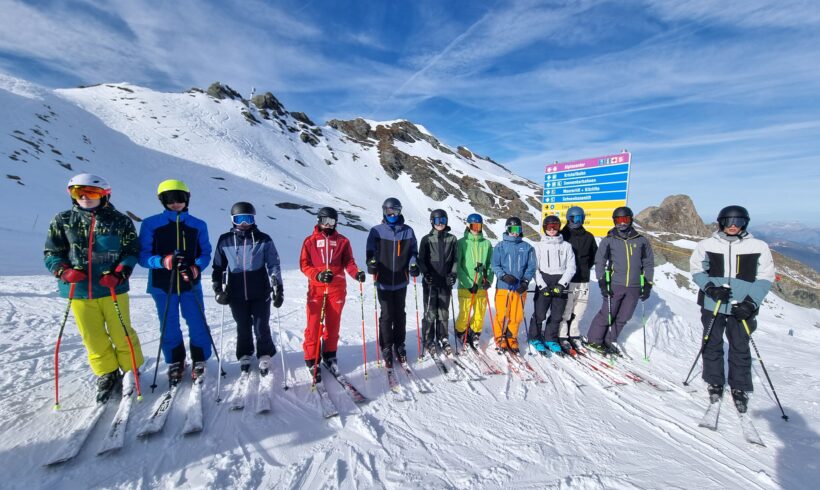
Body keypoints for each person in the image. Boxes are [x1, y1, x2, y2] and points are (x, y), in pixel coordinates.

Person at [44, 174, 144, 402]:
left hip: (112, 288)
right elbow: (52, 252)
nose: (85, 197)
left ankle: (131, 368)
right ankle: (106, 372)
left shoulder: (120, 221)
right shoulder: (63, 220)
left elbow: (131, 251)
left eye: (92, 192)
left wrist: (120, 273)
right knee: (92, 336)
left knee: (121, 332)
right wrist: (63, 271)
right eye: (78, 192)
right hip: (79, 291)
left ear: (105, 195)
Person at [689, 205, 775, 413]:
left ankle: (740, 386)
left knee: (740, 345)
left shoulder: (758, 246)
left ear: (745, 223)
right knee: (711, 342)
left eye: (739, 222)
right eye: (729, 221)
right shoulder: (706, 245)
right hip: (713, 303)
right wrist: (711, 289)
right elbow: (697, 270)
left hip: (742, 306)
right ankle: (714, 381)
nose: (733, 226)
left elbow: (765, 277)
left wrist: (750, 303)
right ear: (721, 223)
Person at [138, 179, 212, 385]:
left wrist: (197, 266)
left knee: (197, 322)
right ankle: (176, 361)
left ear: (187, 198)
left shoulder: (198, 225)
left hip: (190, 284)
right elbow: (143, 256)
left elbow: (205, 253)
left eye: (180, 198)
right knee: (168, 325)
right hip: (162, 285)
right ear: (162, 200)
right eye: (170, 199)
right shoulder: (151, 224)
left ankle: (200, 359)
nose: (175, 203)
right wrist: (162, 261)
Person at [211, 202, 282, 376]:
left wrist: (278, 289)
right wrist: (218, 290)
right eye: (239, 219)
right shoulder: (225, 240)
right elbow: (218, 267)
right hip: (236, 292)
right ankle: (245, 353)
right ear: (232, 220)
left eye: (248, 219)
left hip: (260, 291)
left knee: (261, 325)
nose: (244, 223)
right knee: (242, 325)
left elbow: (273, 264)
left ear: (253, 219)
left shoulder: (263, 239)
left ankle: (264, 353)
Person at [300, 207, 364, 382]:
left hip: (337, 289)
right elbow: (304, 265)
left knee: (333, 324)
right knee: (314, 325)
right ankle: (312, 359)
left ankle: (329, 355)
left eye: (332, 222)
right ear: (319, 221)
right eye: (325, 221)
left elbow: (349, 263)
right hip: (317, 289)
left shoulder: (343, 241)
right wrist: (318, 275)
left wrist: (356, 273)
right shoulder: (310, 241)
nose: (328, 225)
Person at [585, 206, 654, 356]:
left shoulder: (641, 241)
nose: (622, 223)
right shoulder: (609, 240)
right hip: (615, 284)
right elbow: (600, 261)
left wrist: (648, 284)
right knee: (607, 313)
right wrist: (602, 281)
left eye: (625, 219)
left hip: (634, 287)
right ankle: (594, 340)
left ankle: (609, 340)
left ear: (631, 220)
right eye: (618, 220)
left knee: (624, 316)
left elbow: (648, 263)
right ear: (614, 221)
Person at [366, 198, 418, 369]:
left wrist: (413, 264)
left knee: (400, 314)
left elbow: (413, 252)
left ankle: (399, 344)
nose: (393, 214)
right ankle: (387, 346)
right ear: (384, 211)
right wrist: (371, 263)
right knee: (387, 315)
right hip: (384, 281)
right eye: (390, 211)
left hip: (401, 281)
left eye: (396, 211)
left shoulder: (408, 231)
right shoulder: (376, 231)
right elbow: (370, 252)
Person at [527, 215, 575, 355]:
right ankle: (534, 337)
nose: (552, 229)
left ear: (559, 227)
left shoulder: (566, 246)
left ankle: (550, 338)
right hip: (544, 280)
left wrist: (562, 284)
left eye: (555, 226)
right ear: (544, 228)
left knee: (557, 314)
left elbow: (571, 267)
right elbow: (534, 268)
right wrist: (541, 286)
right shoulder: (539, 246)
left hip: (560, 281)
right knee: (540, 313)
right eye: (549, 226)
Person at [490, 216, 536, 353]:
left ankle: (511, 336)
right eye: (512, 229)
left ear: (521, 230)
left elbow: (531, 267)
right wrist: (503, 276)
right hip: (503, 287)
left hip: (519, 287)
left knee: (517, 314)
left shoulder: (527, 247)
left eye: (517, 229)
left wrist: (526, 281)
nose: (515, 232)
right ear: (507, 229)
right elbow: (495, 265)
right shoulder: (500, 246)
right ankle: (500, 337)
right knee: (502, 313)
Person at [418, 209, 458, 356]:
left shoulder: (452, 239)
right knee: (430, 312)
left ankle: (443, 337)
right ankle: (428, 339)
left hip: (445, 282)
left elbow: (455, 259)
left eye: (443, 220)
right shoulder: (427, 239)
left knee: (443, 312)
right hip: (430, 282)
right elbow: (421, 260)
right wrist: (426, 273)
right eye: (437, 221)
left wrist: (453, 274)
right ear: (432, 222)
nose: (440, 223)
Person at [559, 206, 598, 352]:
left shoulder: (589, 237)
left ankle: (574, 333)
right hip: (568, 279)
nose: (576, 222)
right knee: (567, 308)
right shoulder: (562, 235)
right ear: (568, 218)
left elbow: (594, 256)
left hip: (583, 279)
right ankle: (562, 334)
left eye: (579, 218)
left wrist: (585, 267)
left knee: (580, 308)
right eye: (573, 218)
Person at [454, 213, 494, 349]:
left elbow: (490, 265)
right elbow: (458, 266)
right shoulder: (461, 243)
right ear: (468, 226)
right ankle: (460, 331)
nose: (476, 229)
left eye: (478, 226)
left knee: (480, 312)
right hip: (466, 285)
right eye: (473, 226)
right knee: (465, 312)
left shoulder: (487, 244)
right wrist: (468, 283)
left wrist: (488, 280)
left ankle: (475, 331)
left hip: (481, 284)